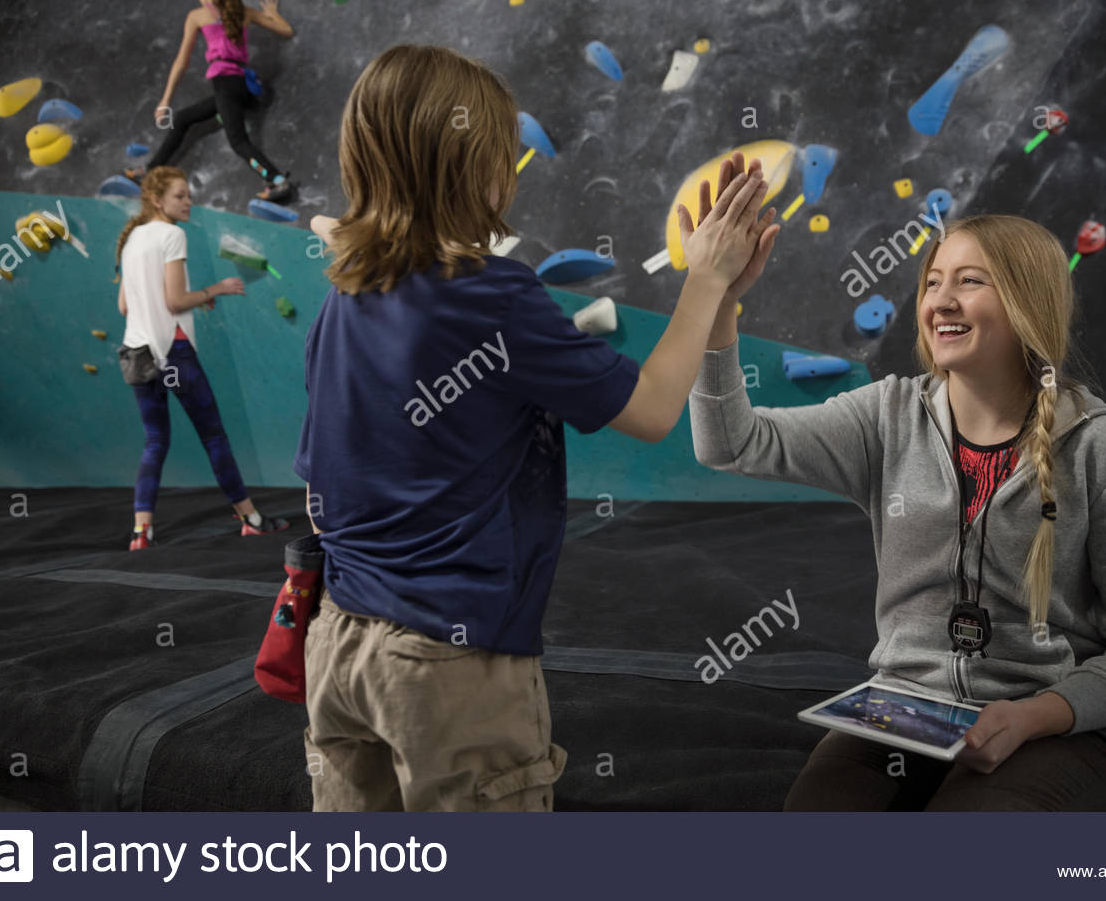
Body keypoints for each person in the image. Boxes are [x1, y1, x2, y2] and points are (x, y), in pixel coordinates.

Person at [296, 44, 780, 811]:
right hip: (448, 668)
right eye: (502, 152)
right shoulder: (492, 297)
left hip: (339, 647)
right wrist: (707, 278)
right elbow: (653, 410)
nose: (511, 171)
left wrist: (717, 294)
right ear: (468, 164)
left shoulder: (344, 298)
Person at [689, 212, 1106, 811]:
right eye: (933, 282)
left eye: (971, 282)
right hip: (908, 710)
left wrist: (1032, 718)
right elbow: (730, 442)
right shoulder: (885, 416)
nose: (941, 302)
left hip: (1065, 727)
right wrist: (715, 296)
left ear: (1027, 303)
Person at [117, 165, 290, 550]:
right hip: (174, 356)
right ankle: (252, 518)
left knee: (155, 440)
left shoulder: (132, 241)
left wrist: (196, 299)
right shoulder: (172, 235)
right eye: (180, 196)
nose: (188, 202)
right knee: (213, 435)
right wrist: (219, 289)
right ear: (157, 200)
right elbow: (175, 301)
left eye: (189, 195)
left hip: (137, 355)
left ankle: (140, 531)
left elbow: (125, 305)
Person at [127, 0, 295, 204]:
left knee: (238, 142)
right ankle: (150, 171)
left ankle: (277, 180)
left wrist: (165, 100)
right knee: (184, 119)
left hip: (227, 86)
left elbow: (181, 63)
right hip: (242, 87)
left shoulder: (198, 16)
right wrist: (273, 12)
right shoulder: (243, 11)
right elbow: (287, 30)